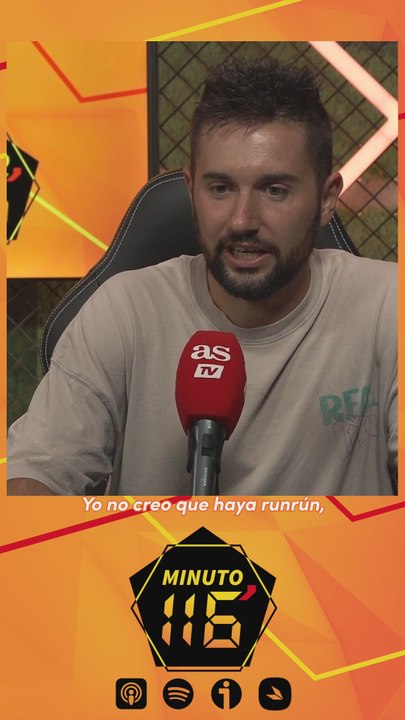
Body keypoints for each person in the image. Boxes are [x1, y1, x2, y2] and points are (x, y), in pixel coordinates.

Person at [7, 58, 397, 496]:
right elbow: (38, 473)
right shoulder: (124, 311)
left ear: (326, 200)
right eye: (220, 189)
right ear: (192, 192)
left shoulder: (388, 305)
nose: (242, 220)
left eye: (274, 190)